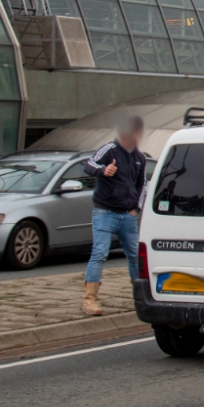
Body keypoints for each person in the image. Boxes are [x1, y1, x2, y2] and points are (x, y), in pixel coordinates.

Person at [82, 116, 147, 316]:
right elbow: (88, 165)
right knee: (99, 253)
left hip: (127, 216)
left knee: (135, 256)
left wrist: (136, 208)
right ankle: (90, 301)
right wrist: (103, 170)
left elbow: (142, 184)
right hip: (105, 212)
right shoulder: (109, 149)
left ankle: (141, 297)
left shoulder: (140, 157)